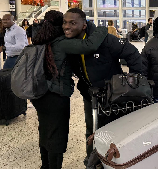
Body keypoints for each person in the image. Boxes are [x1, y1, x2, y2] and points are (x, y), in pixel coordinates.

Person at [61, 8, 143, 166]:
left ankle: (117, 161)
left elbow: (132, 53)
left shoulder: (104, 40)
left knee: (115, 129)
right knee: (92, 129)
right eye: (65, 22)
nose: (66, 26)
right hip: (89, 94)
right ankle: (92, 161)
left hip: (113, 94)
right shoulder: (69, 42)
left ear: (84, 25)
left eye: (72, 23)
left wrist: (132, 82)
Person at [30, 10, 108, 169]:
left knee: (45, 132)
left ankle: (45, 166)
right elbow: (90, 45)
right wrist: (102, 29)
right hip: (55, 96)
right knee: (56, 137)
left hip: (40, 94)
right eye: (64, 23)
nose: (66, 26)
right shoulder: (60, 43)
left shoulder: (42, 39)